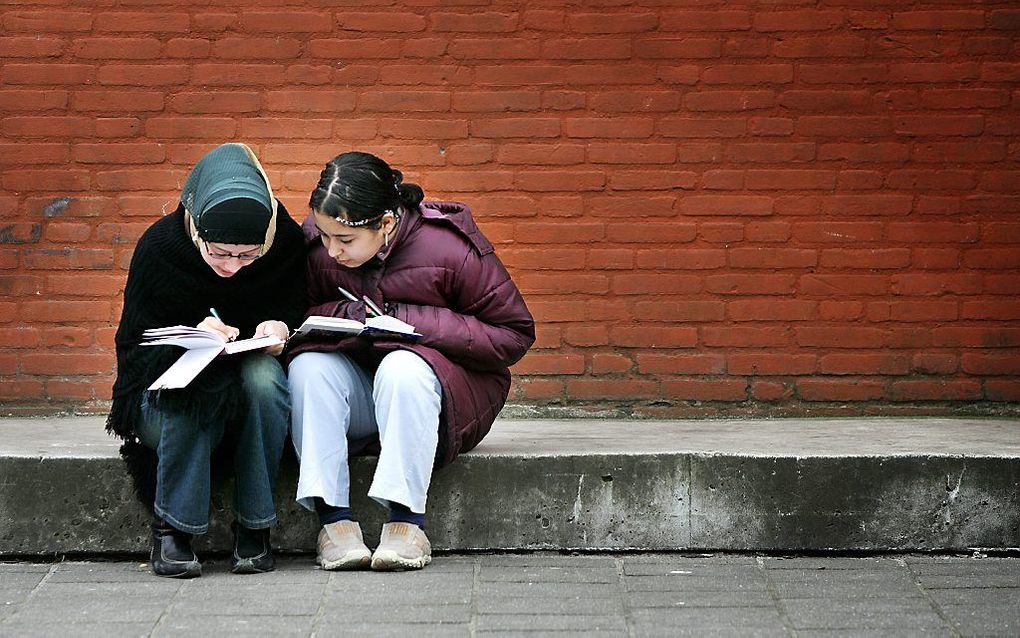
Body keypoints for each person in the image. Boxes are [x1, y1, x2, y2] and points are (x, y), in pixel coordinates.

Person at [288, 151, 534, 571]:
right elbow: (294, 317)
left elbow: (513, 334)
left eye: (345, 241)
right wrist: (346, 316)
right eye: (325, 236)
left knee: (403, 366)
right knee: (308, 368)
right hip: (362, 389)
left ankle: (406, 523)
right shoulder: (317, 243)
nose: (331, 252)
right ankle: (334, 523)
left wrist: (408, 321)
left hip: (445, 397)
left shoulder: (449, 247)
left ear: (385, 224)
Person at [106, 143, 306, 578]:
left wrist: (280, 328)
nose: (233, 266)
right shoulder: (160, 248)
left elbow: (301, 308)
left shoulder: (286, 242)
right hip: (167, 401)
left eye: (248, 254)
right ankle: (172, 531)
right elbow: (134, 348)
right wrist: (192, 338)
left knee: (263, 377)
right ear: (197, 230)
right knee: (194, 388)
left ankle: (255, 528)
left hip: (251, 408)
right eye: (219, 252)